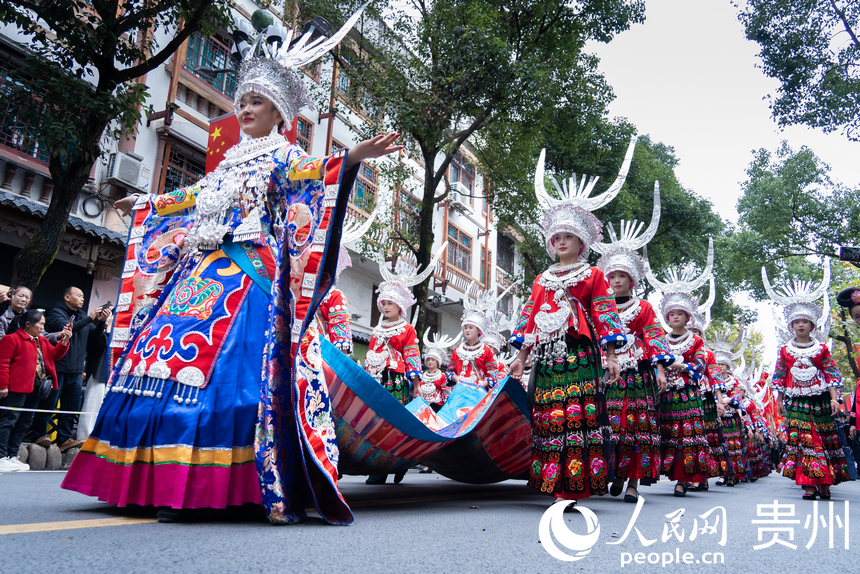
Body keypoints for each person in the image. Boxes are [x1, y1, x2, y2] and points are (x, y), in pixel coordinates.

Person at [62, 6, 402, 525]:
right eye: (242, 100)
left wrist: (351, 157)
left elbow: (315, 169)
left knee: (233, 371)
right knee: (159, 360)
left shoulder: (283, 156)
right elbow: (194, 195)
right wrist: (150, 204)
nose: (245, 108)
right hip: (202, 270)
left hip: (250, 279)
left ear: (279, 115)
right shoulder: (227, 163)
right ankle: (155, 478)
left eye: (256, 102)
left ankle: (225, 482)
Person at [509, 143, 634, 505]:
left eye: (568, 237)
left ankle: (573, 486)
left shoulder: (593, 275)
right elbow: (530, 318)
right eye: (557, 237)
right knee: (550, 415)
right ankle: (552, 481)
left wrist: (611, 356)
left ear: (582, 242)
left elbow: (605, 314)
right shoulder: (540, 279)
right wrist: (520, 355)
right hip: (548, 357)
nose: (561, 242)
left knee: (577, 417)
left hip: (580, 355)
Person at [591, 184, 672, 503]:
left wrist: (661, 370)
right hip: (608, 375)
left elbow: (654, 337)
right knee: (610, 426)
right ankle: (614, 473)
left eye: (622, 276)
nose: (616, 281)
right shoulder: (600, 306)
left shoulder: (644, 308)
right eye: (611, 277)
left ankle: (634, 482)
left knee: (636, 429)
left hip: (636, 376)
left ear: (632, 280)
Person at [763, 262, 849, 499]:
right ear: (791, 325)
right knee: (805, 440)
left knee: (823, 438)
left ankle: (825, 484)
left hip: (821, 400)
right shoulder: (785, 350)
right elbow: (779, 376)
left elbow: (831, 373)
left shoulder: (821, 349)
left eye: (805, 321)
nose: (801, 325)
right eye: (796, 322)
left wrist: (834, 399)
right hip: (796, 401)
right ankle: (810, 484)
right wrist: (779, 400)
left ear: (813, 325)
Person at [646, 241, 716, 498]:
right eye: (671, 313)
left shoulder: (696, 340)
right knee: (667, 432)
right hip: (665, 393)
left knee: (686, 434)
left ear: (688, 317)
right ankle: (670, 474)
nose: (675, 317)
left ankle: (683, 480)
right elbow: (652, 358)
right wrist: (669, 362)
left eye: (680, 313)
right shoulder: (660, 338)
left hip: (687, 394)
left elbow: (698, 368)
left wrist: (668, 362)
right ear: (666, 317)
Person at [30, 287, 110, 453]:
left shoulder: (82, 315)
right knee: (49, 404)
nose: (82, 299)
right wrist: (90, 318)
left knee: (70, 407)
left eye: (83, 296)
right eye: (79, 295)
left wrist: (101, 322)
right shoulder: (56, 313)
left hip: (76, 371)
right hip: (57, 368)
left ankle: (64, 439)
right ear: (67, 297)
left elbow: (93, 340)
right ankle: (38, 435)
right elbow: (68, 329)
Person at [0, 310, 71, 472]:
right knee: (8, 421)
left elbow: (55, 355)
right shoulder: (11, 339)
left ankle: (12, 455)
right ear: (28, 324)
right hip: (15, 388)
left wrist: (64, 341)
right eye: (40, 324)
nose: (42, 327)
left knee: (24, 422)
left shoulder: (42, 341)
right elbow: (2, 363)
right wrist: (3, 385)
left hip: (36, 388)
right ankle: (1, 456)